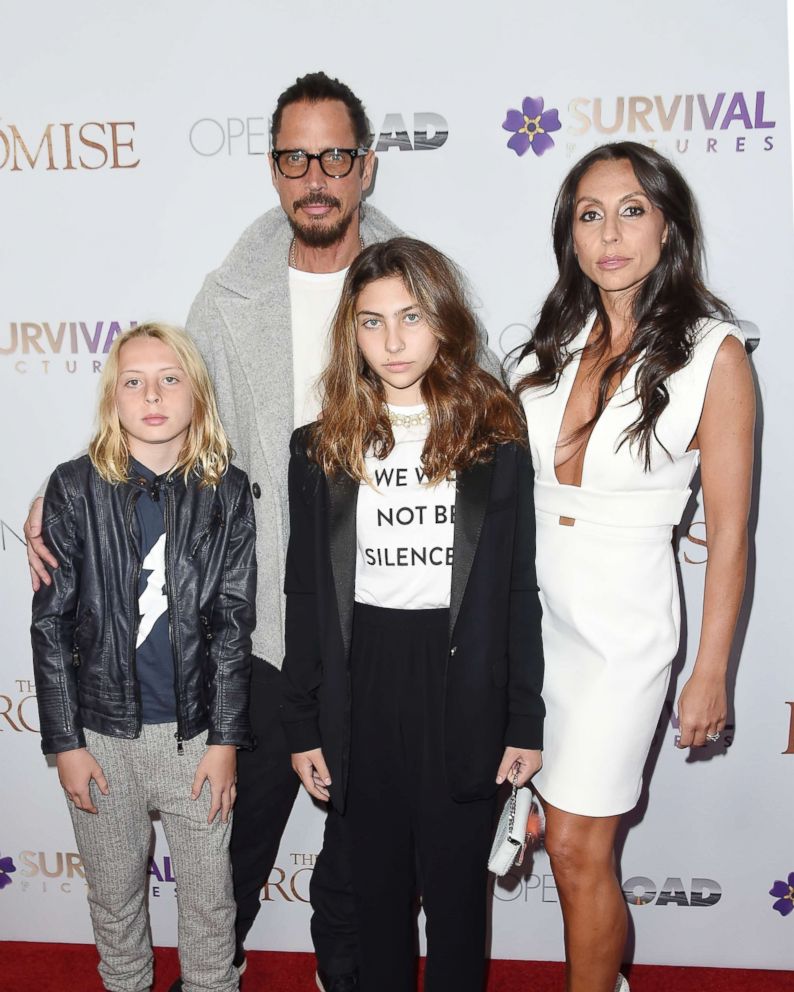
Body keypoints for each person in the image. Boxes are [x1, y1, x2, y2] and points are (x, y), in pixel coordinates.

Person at [24, 72, 499, 992]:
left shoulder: (415, 284)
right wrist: (66, 489)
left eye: (332, 155)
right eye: (294, 156)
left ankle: (346, 973)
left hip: (389, 626)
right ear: (274, 168)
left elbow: (476, 429)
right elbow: (172, 419)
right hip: (269, 629)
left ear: (365, 165)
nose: (313, 175)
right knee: (233, 853)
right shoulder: (227, 295)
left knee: (367, 854)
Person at [513, 142, 755, 992]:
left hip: (622, 630)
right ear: (570, 236)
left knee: (582, 843)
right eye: (589, 214)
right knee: (562, 840)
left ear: (668, 226)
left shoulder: (714, 355)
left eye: (631, 210)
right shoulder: (546, 348)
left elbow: (730, 534)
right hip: (531, 615)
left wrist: (712, 670)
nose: (609, 233)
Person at [281, 237, 545, 992]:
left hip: (461, 687)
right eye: (370, 322)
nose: (392, 342)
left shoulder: (496, 443)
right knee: (377, 904)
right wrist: (301, 722)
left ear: (445, 323)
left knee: (460, 908)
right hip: (363, 687)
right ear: (350, 333)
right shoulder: (319, 448)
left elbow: (518, 590)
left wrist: (524, 717)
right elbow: (307, 595)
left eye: (411, 317)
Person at [30, 323, 257, 992]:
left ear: (197, 394)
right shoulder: (72, 488)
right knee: (114, 898)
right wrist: (66, 743)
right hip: (102, 739)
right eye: (134, 381)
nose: (152, 395)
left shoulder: (228, 490)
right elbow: (50, 627)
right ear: (112, 398)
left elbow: (234, 625)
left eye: (169, 379)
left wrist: (226, 741)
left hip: (196, 743)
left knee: (212, 904)